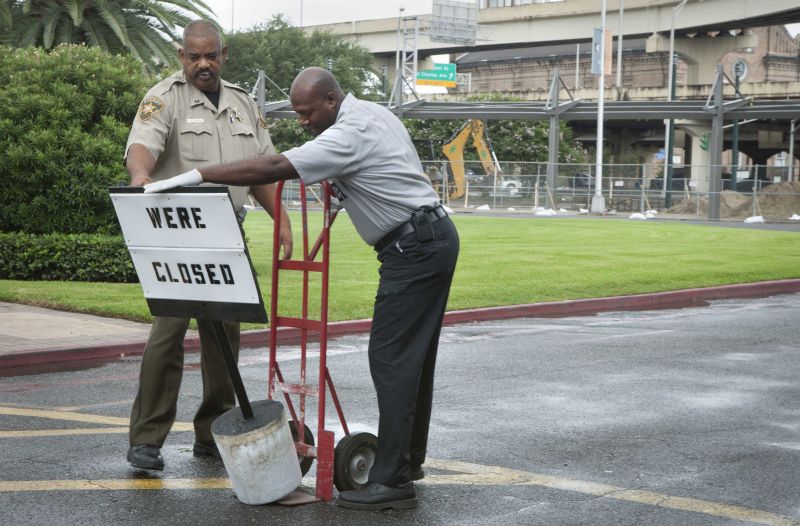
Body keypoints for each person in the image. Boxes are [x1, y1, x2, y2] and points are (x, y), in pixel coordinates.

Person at [145, 67, 459, 510]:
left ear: (330, 100)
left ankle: (392, 480)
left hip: (414, 249)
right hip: (429, 240)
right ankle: (408, 459)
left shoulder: (349, 132)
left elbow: (277, 165)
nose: (302, 120)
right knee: (413, 359)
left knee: (392, 359)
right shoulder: (372, 113)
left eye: (307, 112)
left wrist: (198, 176)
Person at [124, 20, 292, 471]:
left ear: (223, 54)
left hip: (228, 234)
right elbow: (141, 146)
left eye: (210, 55)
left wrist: (283, 218)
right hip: (179, 234)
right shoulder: (165, 97)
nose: (203, 64)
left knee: (225, 337)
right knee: (168, 333)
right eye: (194, 56)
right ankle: (146, 439)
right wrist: (141, 178)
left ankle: (212, 430)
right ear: (182, 56)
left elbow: (261, 169)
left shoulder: (242, 103)